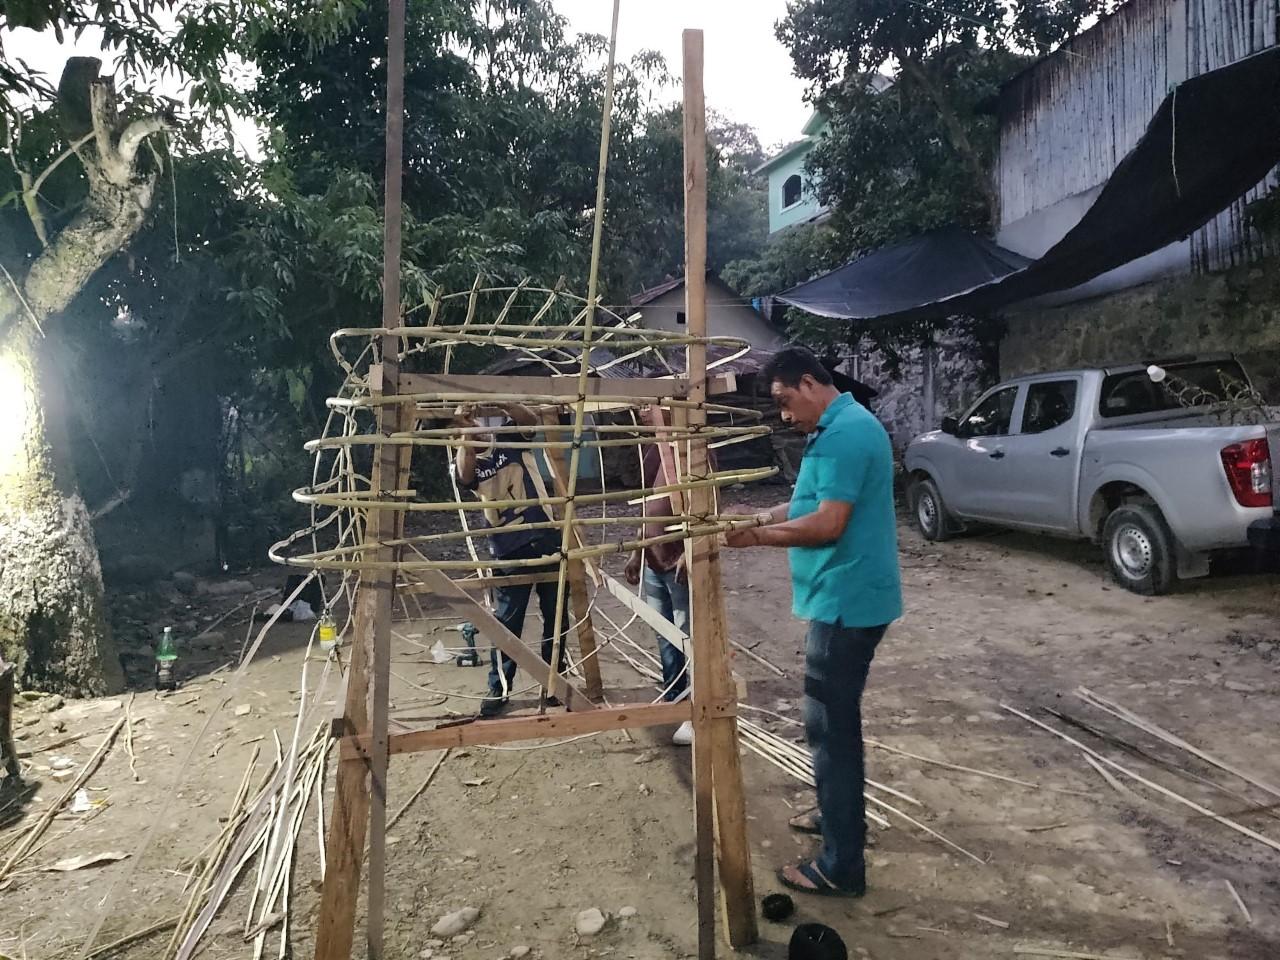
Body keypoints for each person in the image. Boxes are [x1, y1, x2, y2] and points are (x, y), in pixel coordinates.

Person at [724, 346, 902, 899]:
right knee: (833, 724)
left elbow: (826, 524)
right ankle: (838, 820)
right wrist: (755, 516)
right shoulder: (837, 427)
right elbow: (804, 503)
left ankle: (841, 865)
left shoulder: (847, 433)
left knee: (830, 730)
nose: (782, 414)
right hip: (843, 595)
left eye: (782, 401)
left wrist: (753, 537)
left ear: (807, 383)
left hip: (847, 601)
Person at [453, 402, 570, 718]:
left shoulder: (509, 435)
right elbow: (465, 476)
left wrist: (502, 402)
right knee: (507, 622)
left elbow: (529, 419)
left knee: (556, 615)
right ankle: (500, 687)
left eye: (478, 426)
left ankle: (556, 682)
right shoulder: (466, 459)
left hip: (545, 536)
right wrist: (465, 432)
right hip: (507, 549)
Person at [624, 438, 694, 746]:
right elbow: (647, 507)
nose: (643, 411)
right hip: (654, 559)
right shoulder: (654, 450)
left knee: (687, 634)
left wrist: (690, 553)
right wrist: (636, 553)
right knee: (664, 632)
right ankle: (674, 697)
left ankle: (696, 706)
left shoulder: (693, 451)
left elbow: (710, 507)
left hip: (679, 563)